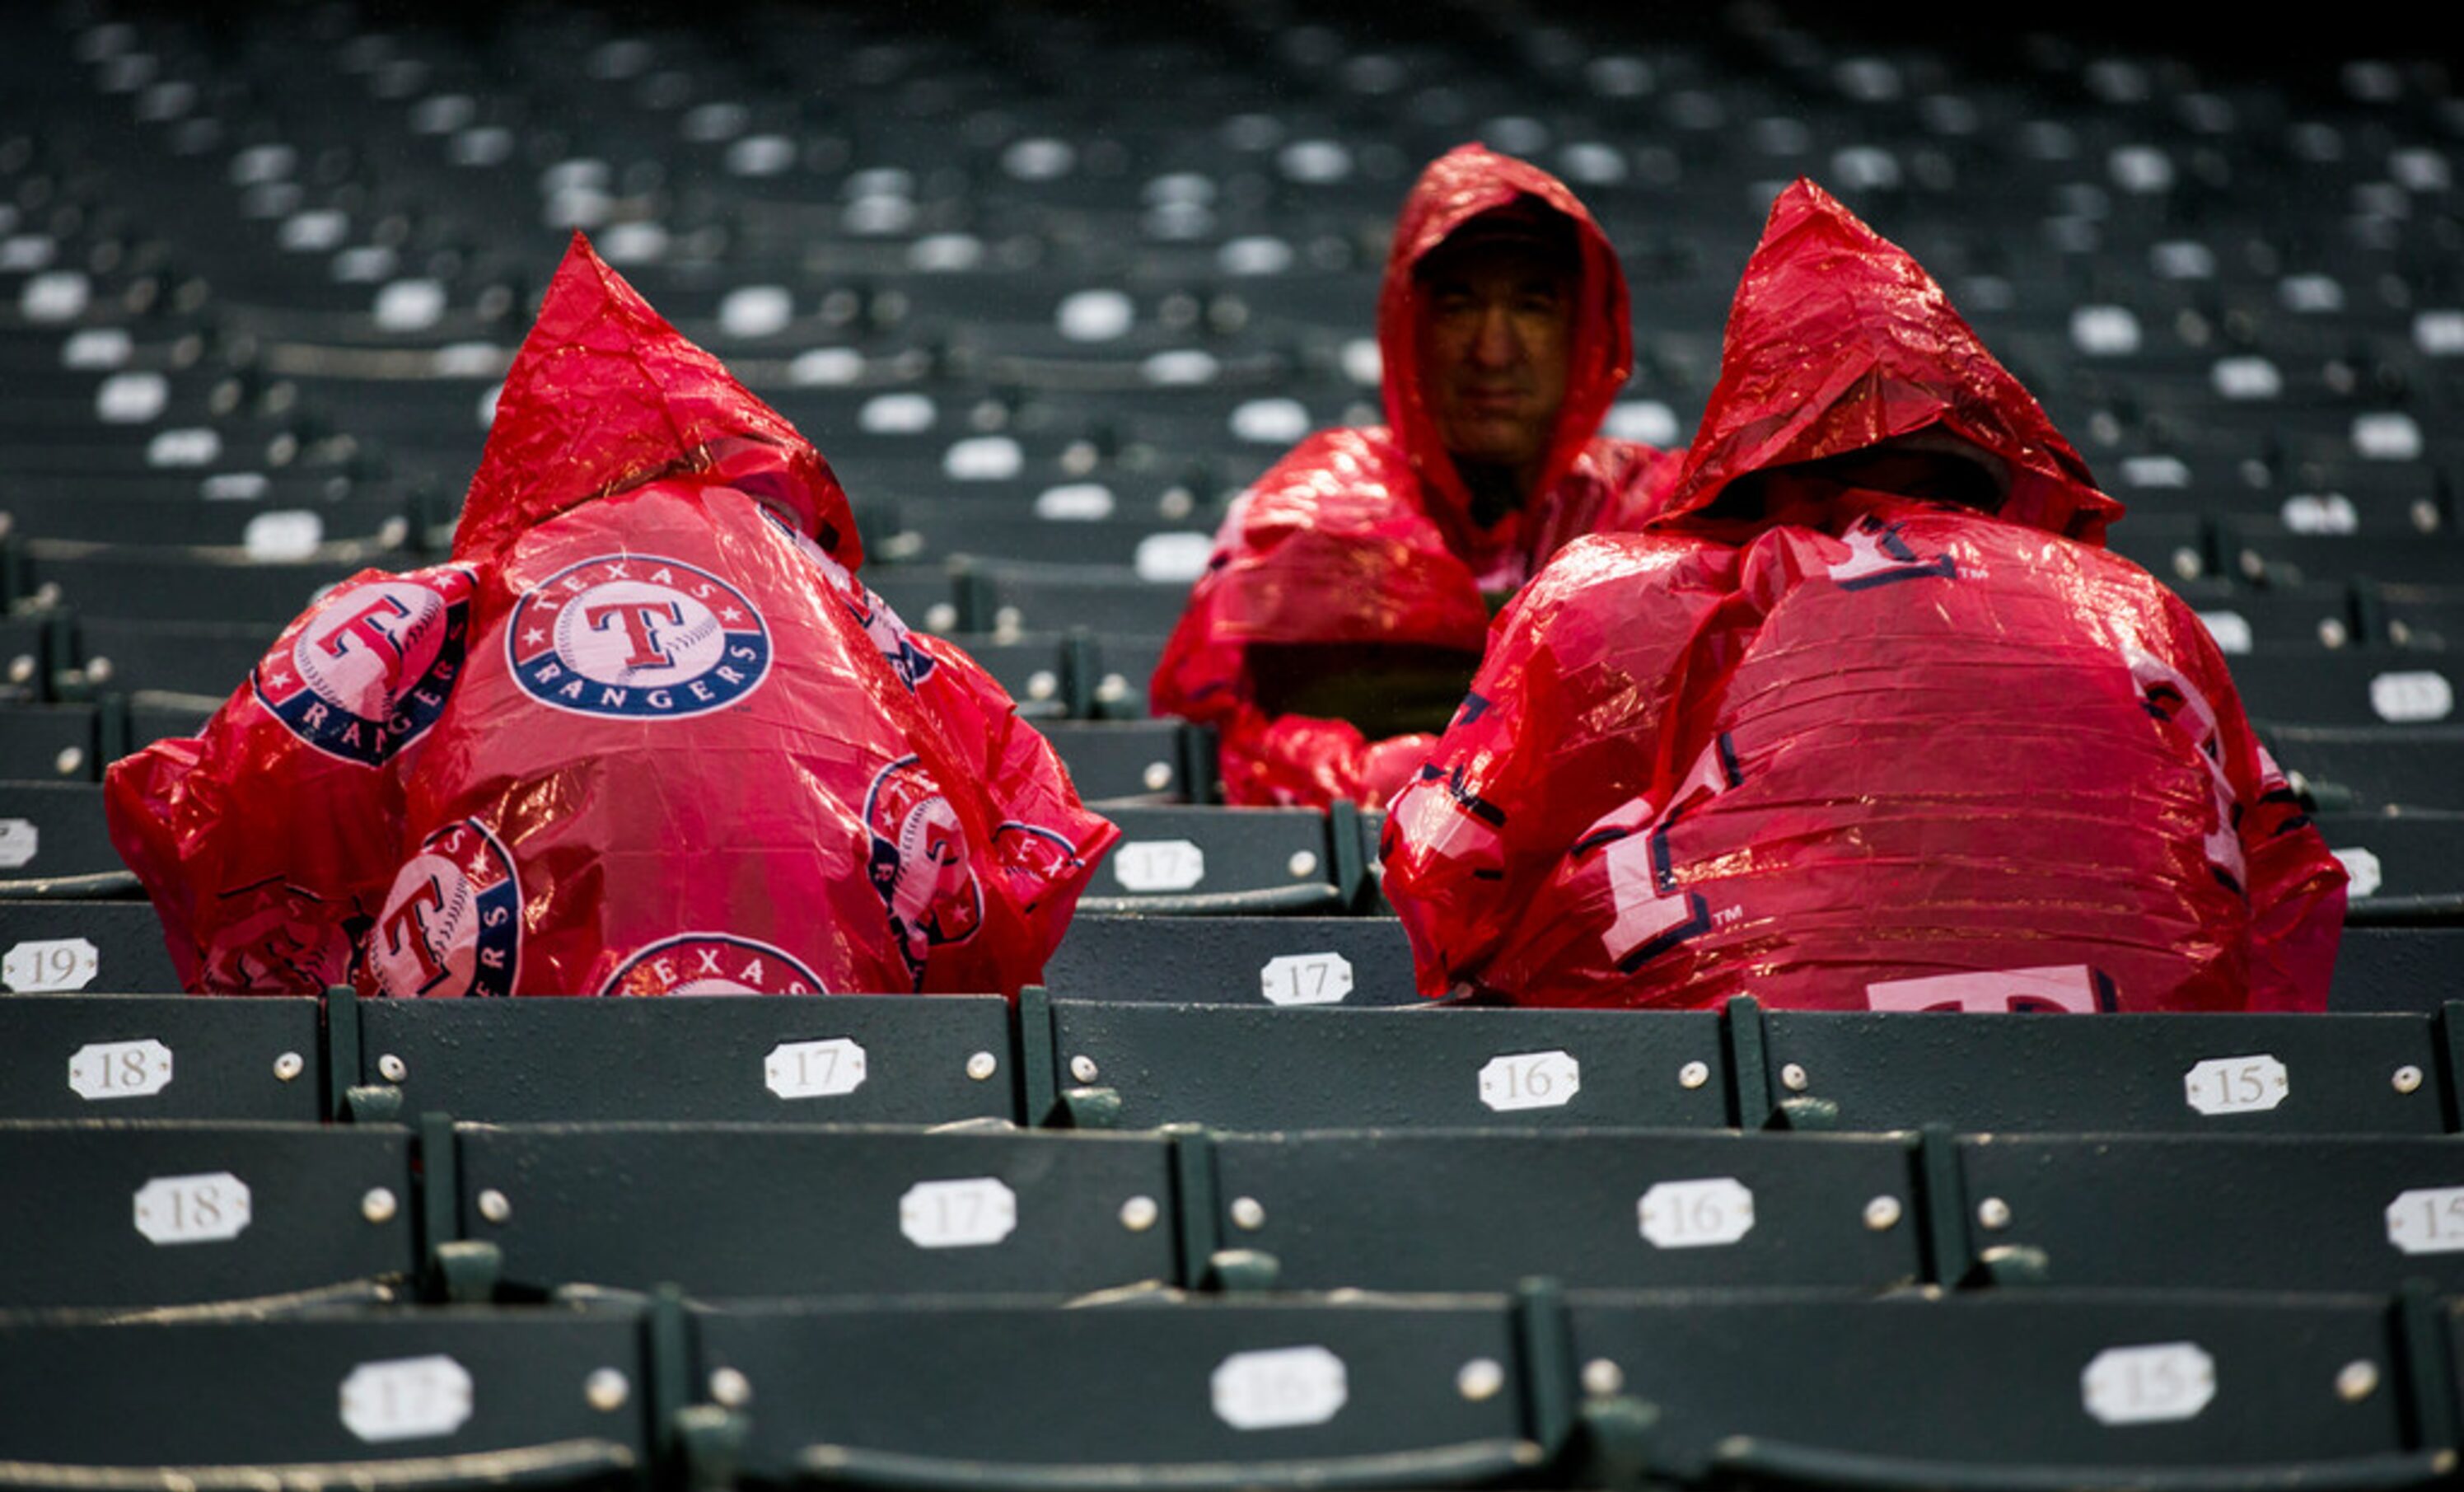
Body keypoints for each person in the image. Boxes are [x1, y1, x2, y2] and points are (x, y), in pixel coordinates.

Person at [1382, 179, 2346, 1013]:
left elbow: (1442, 878)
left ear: (1750, 446)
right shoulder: (2140, 607)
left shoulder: (1621, 593)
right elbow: (2290, 900)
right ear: (1981, 445)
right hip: (2145, 1112)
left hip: (1738, 1108)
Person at [107, 233, 1116, 999]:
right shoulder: (841, 603)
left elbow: (274, 771)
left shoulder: (473, 588)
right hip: (851, 1054)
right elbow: (1029, 821)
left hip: (512, 1047)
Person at [1148, 143, 1681, 809]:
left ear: (1586, 333)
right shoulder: (1308, 516)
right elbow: (1227, 736)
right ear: (1407, 329)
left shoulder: (1650, 511)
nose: (1493, 351)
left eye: (1533, 305)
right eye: (1458, 306)